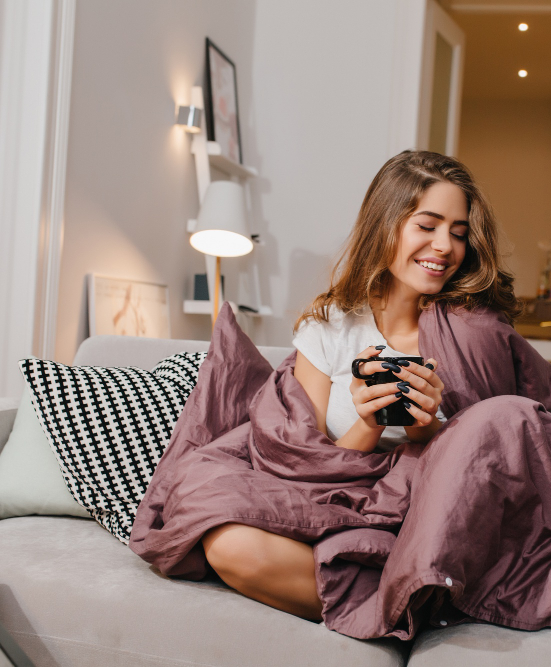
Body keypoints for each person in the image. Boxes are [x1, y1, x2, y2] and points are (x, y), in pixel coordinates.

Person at [199, 150, 521, 621]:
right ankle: (409, 599)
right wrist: (369, 423)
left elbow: (498, 458)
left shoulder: (473, 332)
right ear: (386, 224)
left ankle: (414, 589)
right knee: (228, 543)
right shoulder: (331, 326)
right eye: (427, 226)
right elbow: (303, 460)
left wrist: (427, 430)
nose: (445, 247)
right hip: (336, 508)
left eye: (458, 232)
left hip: (431, 522)